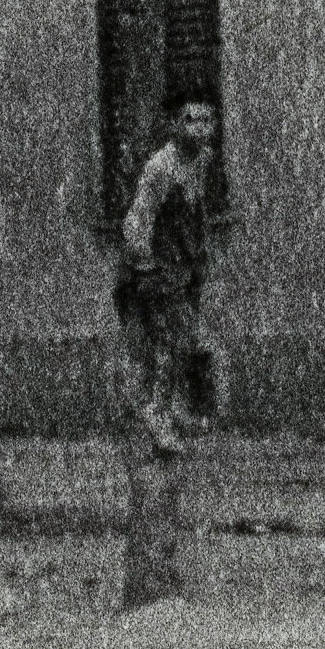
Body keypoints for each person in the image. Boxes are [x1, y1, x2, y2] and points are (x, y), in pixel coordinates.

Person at [113, 91, 224, 461]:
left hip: (183, 265)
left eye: (207, 120)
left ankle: (169, 410)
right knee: (167, 345)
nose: (201, 128)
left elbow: (196, 213)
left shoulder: (204, 159)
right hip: (154, 268)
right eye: (191, 120)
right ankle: (157, 417)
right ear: (175, 125)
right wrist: (146, 269)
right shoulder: (160, 167)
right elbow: (137, 220)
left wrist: (198, 256)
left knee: (183, 341)